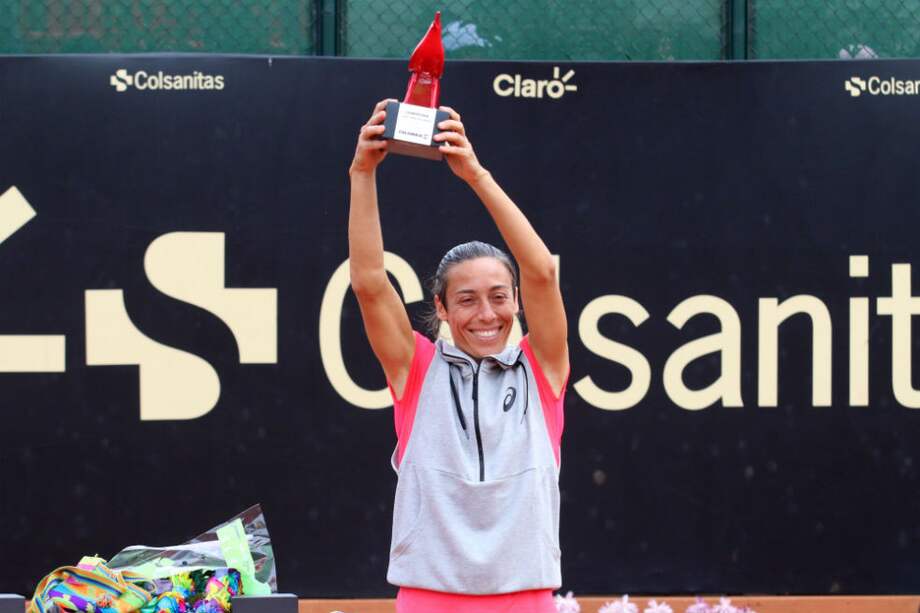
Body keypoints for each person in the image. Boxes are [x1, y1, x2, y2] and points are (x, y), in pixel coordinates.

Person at [348, 98, 569, 613]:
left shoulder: (544, 369)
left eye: (499, 296)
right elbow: (368, 284)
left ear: (516, 301)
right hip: (429, 598)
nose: (486, 313)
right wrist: (362, 173)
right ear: (441, 308)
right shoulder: (415, 370)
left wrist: (475, 174)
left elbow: (542, 274)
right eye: (466, 300)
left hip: (527, 597)